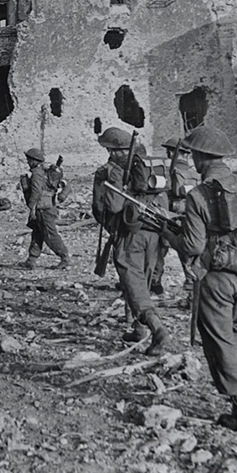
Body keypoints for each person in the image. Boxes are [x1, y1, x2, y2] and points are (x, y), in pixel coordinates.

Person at [162, 126, 237, 433]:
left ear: (201, 158)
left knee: (220, 343)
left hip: (216, 282)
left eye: (193, 155)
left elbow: (192, 246)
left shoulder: (200, 195)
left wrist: (170, 235)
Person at [92, 127, 168, 356]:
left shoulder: (113, 170)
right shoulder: (146, 165)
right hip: (153, 231)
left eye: (108, 149)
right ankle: (138, 327)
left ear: (114, 151)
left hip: (129, 233)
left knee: (132, 279)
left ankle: (156, 327)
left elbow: (112, 206)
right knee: (141, 278)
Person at [149, 138, 198, 296]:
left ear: (172, 152)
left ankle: (155, 283)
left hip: (170, 213)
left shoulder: (170, 170)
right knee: (187, 252)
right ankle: (192, 283)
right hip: (190, 214)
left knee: (159, 250)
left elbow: (166, 192)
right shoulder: (194, 172)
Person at [20, 148, 70, 270]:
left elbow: (36, 191)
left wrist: (32, 207)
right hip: (48, 206)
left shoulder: (37, 173)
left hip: (43, 209)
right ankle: (31, 259)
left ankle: (64, 257)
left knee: (49, 234)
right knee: (37, 233)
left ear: (34, 161)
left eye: (29, 160)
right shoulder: (45, 171)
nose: (27, 162)